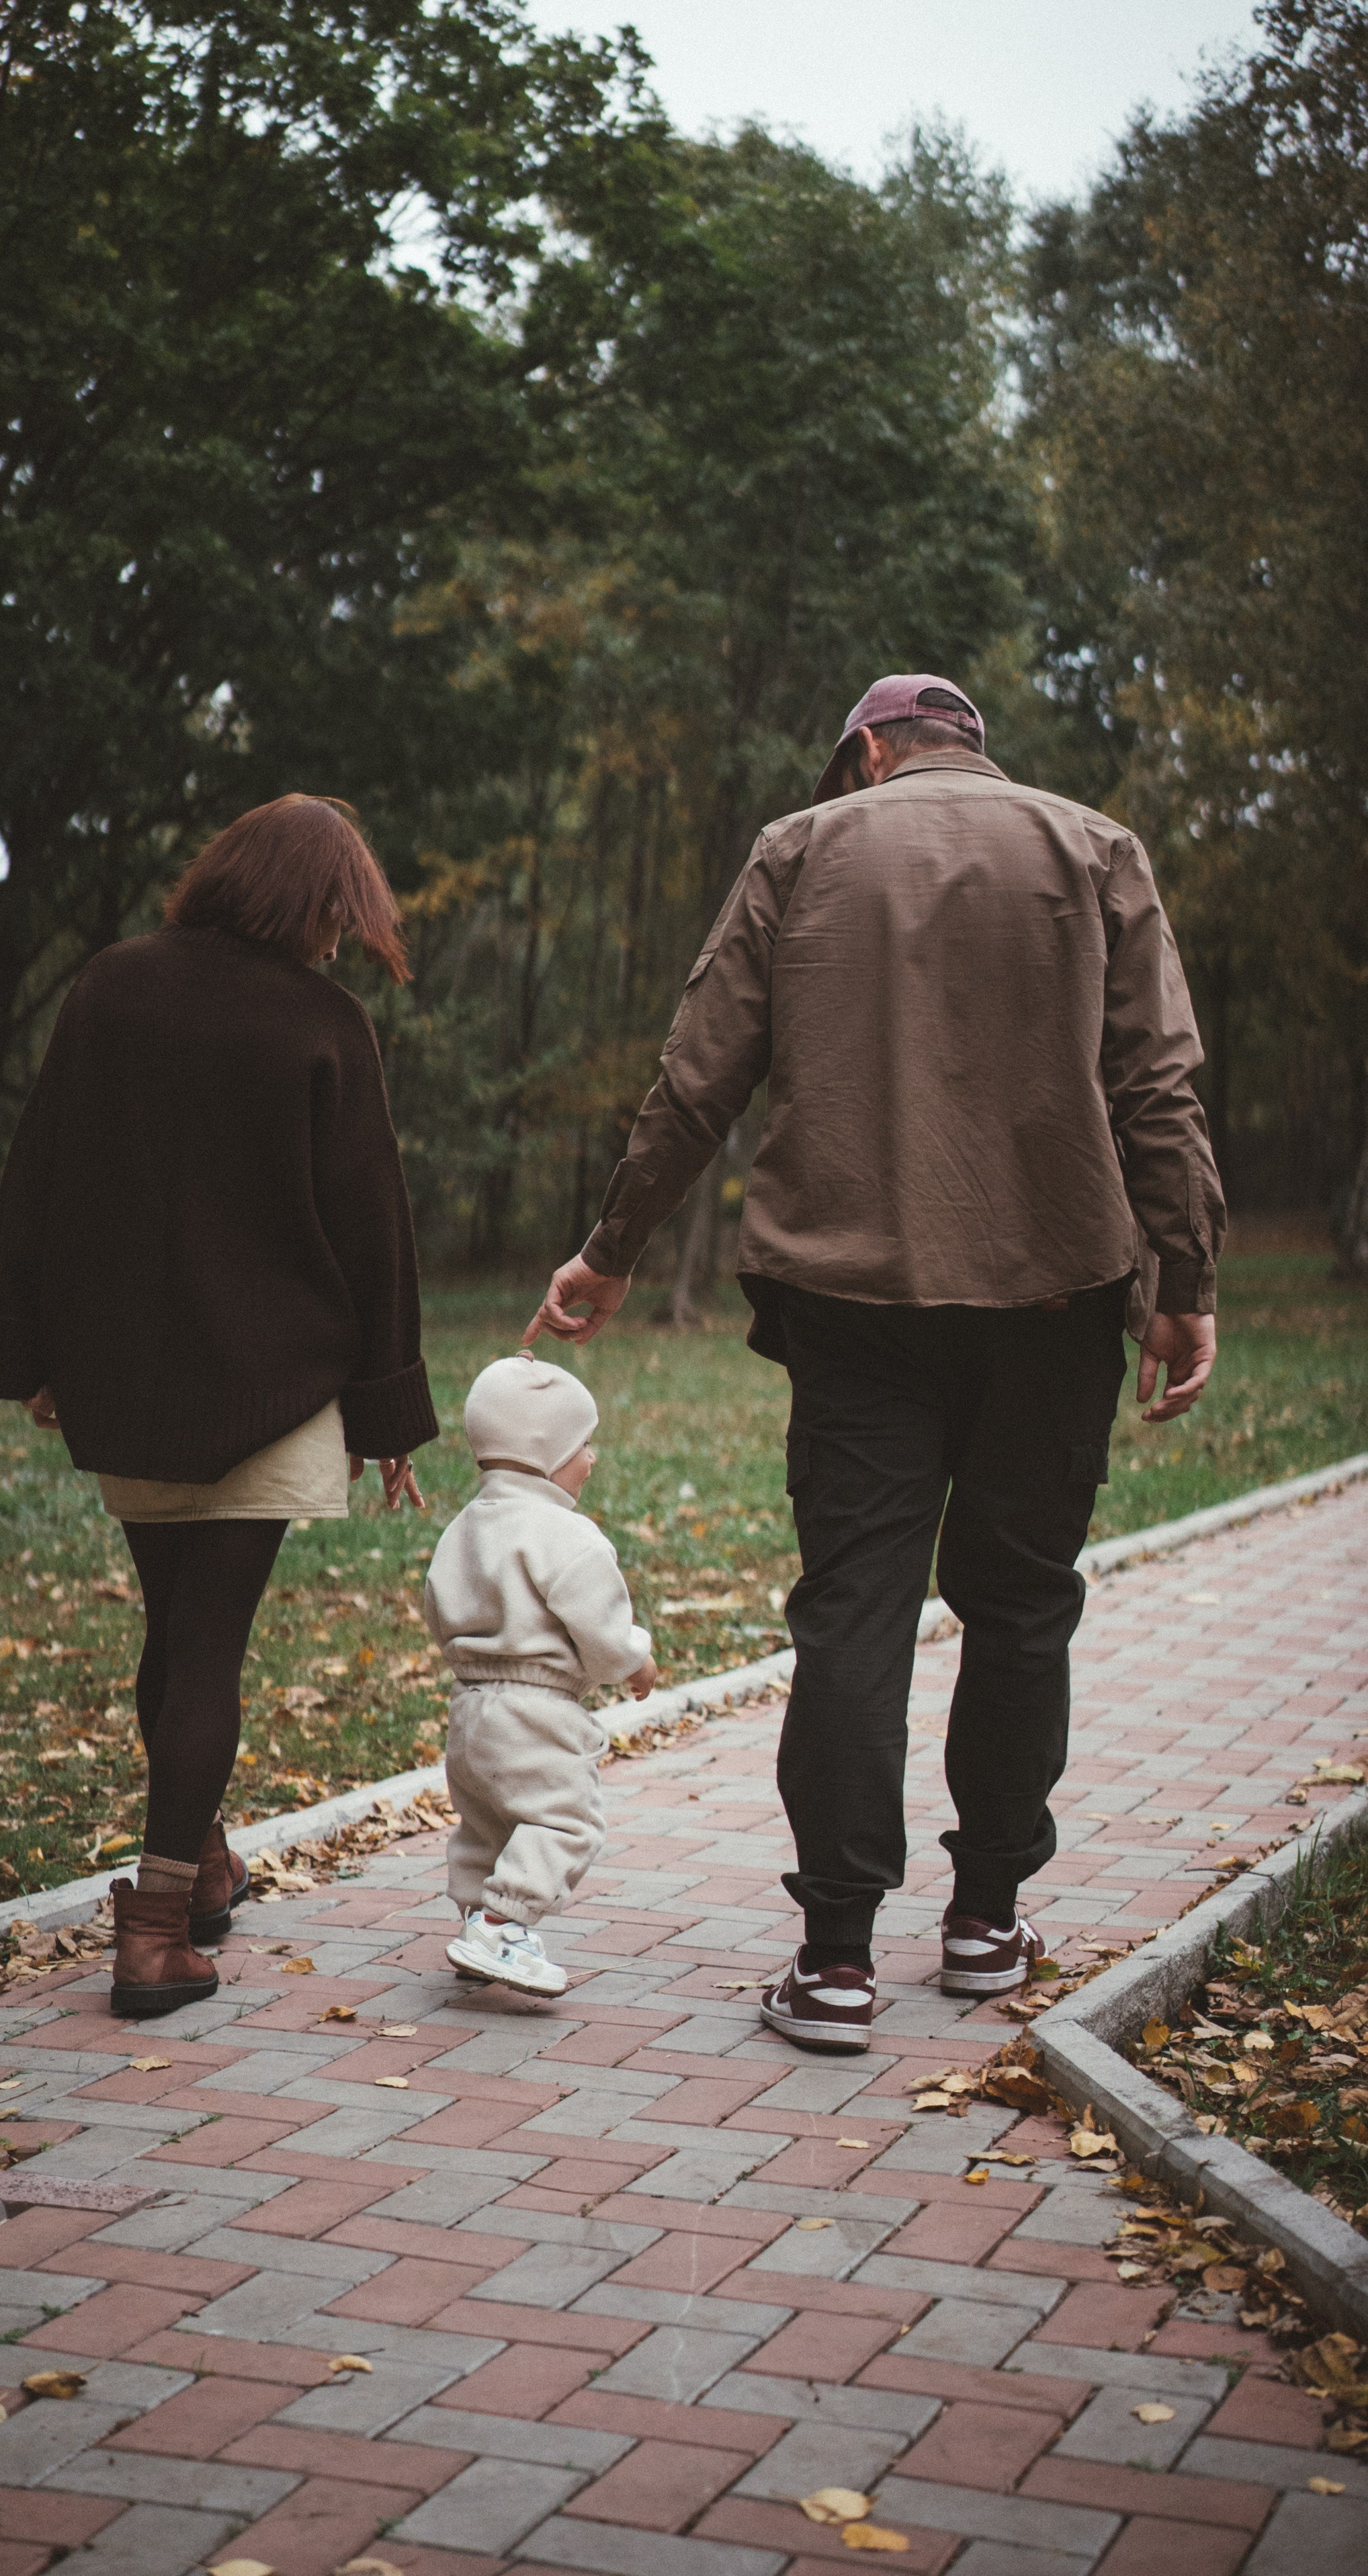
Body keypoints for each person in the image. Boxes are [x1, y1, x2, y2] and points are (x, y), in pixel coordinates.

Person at [526, 675, 1226, 2052]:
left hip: (850, 1301)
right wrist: (1182, 1282)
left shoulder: (799, 847)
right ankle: (981, 1921)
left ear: (865, 751)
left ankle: (835, 1957)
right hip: (1055, 1290)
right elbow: (1156, 1082)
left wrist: (610, 1244)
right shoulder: (1093, 849)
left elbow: (696, 1073)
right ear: (971, 745)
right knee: (1021, 1602)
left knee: (853, 1604)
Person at [0, 794, 439, 2018]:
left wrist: (32, 1350)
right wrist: (386, 1416)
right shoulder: (323, 1026)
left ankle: (204, 1860)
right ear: (307, 903)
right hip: (272, 1387)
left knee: (173, 1633)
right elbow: (372, 1230)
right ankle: (159, 1925)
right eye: (339, 913)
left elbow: (39, 1174)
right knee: (206, 1648)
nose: (341, 938)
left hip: (127, 1377)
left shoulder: (110, 988)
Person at [424, 1352, 658, 1997]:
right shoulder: (570, 1537)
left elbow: (435, 1606)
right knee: (564, 1823)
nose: (592, 1457)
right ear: (545, 1451)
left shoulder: (463, 1528)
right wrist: (637, 1658)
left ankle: (477, 1916)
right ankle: (503, 1925)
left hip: (468, 1705)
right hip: (539, 1707)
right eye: (584, 1443)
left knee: (487, 1823)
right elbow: (604, 1638)